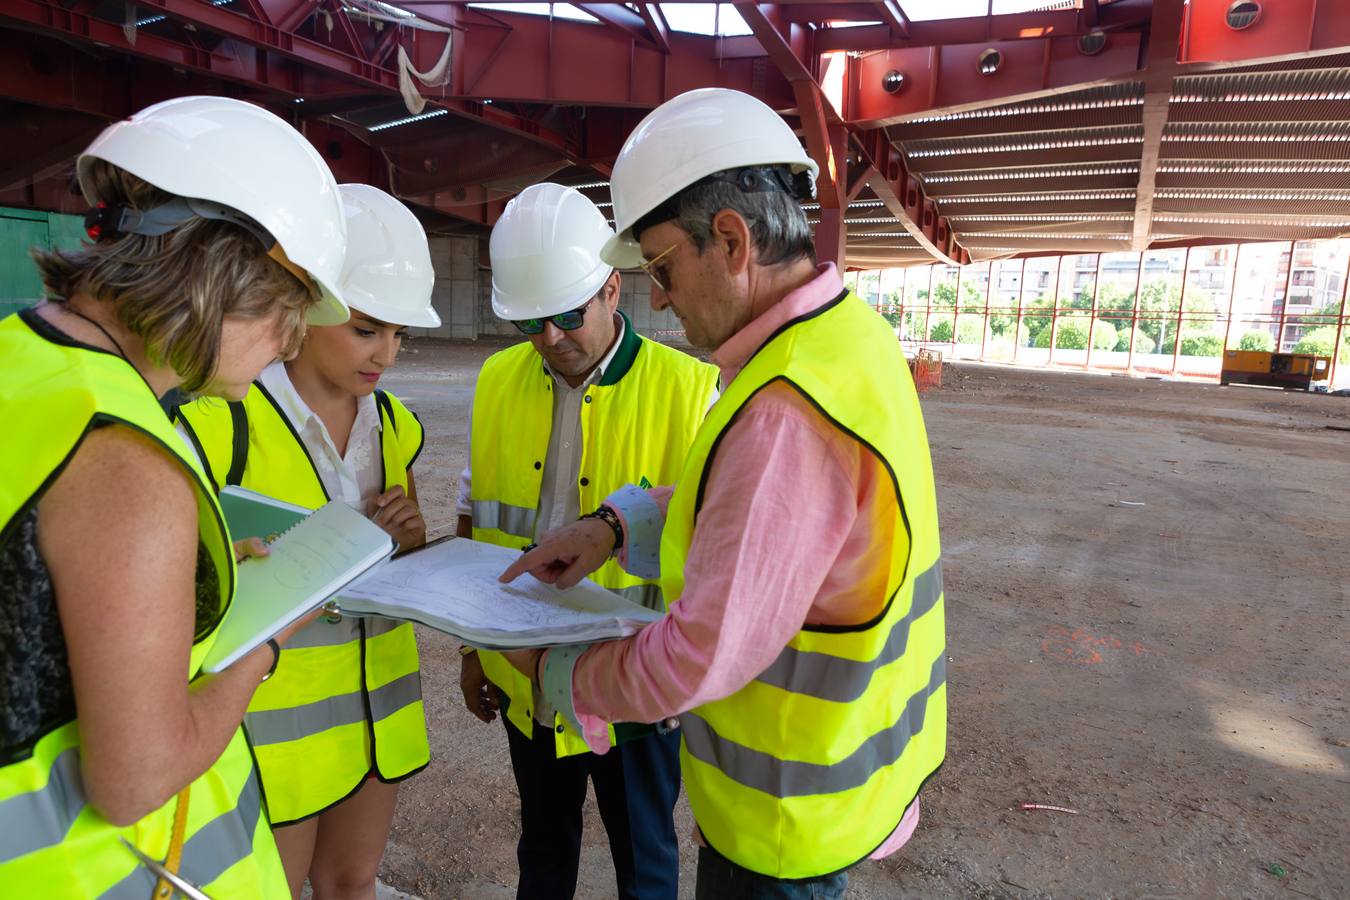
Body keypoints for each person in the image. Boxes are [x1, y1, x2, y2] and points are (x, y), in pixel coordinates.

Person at [499, 88, 948, 899]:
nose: (659, 298)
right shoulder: (845, 340)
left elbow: (693, 656)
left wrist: (555, 678)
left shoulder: (786, 409)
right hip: (845, 773)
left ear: (733, 240)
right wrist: (612, 527)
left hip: (780, 823)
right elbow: (765, 520)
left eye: (664, 268)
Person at [0, 95, 350, 896]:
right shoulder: (126, 461)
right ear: (223, 269)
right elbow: (135, 779)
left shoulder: (20, 361)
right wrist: (264, 644)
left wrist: (183, 580)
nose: (291, 343)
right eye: (290, 309)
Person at [174, 183, 439, 899]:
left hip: (378, 712)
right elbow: (194, 588)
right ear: (306, 309)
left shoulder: (397, 426)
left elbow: (401, 555)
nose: (386, 353)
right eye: (366, 329)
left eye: (399, 335)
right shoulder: (224, 421)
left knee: (352, 884)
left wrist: (409, 541)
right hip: (271, 726)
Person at [456, 182, 718, 899]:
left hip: (637, 684)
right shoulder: (496, 379)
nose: (549, 339)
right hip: (527, 670)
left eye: (566, 316)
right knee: (542, 848)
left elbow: (718, 554)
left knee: (646, 862)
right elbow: (474, 512)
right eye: (529, 324)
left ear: (612, 288)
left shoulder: (693, 393)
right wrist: (474, 650)